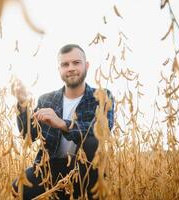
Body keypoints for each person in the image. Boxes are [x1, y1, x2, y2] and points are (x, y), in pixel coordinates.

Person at [11, 44, 114, 199]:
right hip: (49, 167)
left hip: (85, 168)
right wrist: (23, 104)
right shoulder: (46, 99)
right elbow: (29, 136)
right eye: (65, 64)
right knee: (17, 188)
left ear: (86, 66)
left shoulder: (102, 96)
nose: (71, 68)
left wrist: (63, 123)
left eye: (76, 63)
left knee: (92, 143)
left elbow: (102, 130)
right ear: (59, 69)